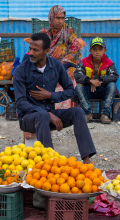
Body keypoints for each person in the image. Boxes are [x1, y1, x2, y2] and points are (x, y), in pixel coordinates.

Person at [13, 32, 96, 164]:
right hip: (28, 118)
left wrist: (51, 95)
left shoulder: (56, 66)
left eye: (35, 50)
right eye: (30, 49)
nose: (31, 53)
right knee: (43, 116)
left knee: (78, 112)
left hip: (50, 116)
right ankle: (50, 163)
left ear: (46, 51)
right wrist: (48, 113)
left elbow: (70, 90)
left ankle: (86, 160)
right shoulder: (21, 71)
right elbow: (21, 103)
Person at [74, 37, 118, 124]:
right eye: (95, 49)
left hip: (103, 91)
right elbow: (77, 76)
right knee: (78, 86)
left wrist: (99, 80)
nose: (97, 52)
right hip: (89, 90)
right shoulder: (83, 62)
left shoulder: (109, 63)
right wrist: (90, 81)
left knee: (113, 85)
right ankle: (87, 114)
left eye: (100, 49)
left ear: (104, 51)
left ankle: (105, 114)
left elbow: (114, 76)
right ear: (90, 51)